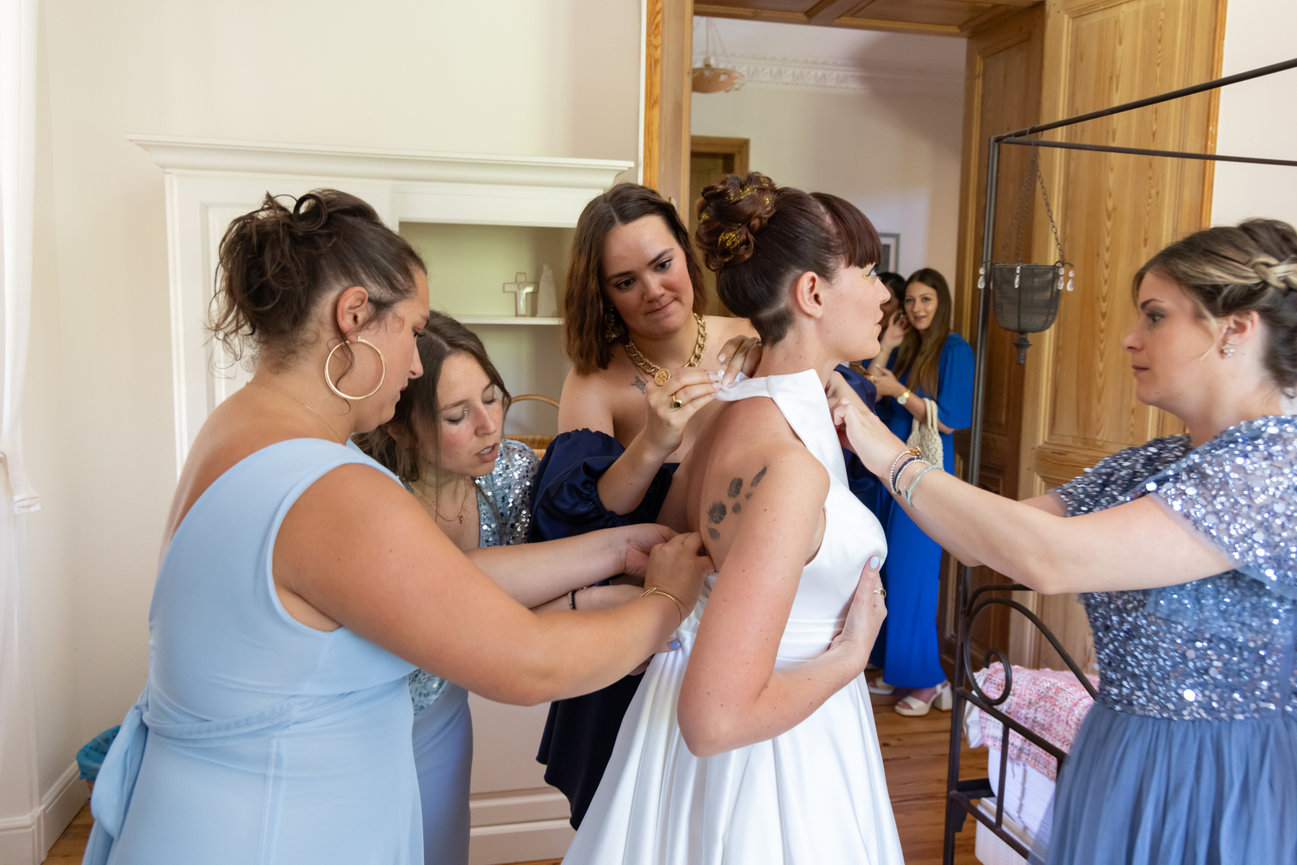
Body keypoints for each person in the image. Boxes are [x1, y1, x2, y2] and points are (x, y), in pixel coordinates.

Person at [82, 189, 711, 865]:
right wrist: (667, 601)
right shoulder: (332, 488)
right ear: (353, 315)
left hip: (197, 815)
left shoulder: (236, 428)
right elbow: (531, 665)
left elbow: (438, 580)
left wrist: (614, 546)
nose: (415, 364)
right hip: (276, 831)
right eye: (411, 330)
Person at [829, 218, 1297, 865]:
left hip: (1217, 773)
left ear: (1235, 328)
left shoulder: (1276, 468)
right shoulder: (1149, 462)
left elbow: (1049, 557)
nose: (1130, 337)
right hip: (1117, 751)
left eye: (1155, 316)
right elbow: (987, 541)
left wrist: (889, 453)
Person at [562, 172, 904, 864]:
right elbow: (714, 720)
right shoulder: (783, 462)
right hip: (772, 750)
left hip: (727, 714)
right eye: (868, 274)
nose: (883, 293)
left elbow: (675, 547)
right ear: (811, 294)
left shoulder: (730, 415)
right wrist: (850, 657)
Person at [359, 315, 640, 865]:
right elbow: (449, 597)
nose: (490, 425)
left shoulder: (511, 472)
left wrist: (593, 602)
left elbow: (514, 602)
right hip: (359, 722)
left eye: (492, 397)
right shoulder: (370, 492)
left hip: (440, 715)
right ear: (398, 425)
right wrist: (592, 597)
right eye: (457, 416)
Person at [529, 182, 757, 827]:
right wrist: (655, 439)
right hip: (639, 619)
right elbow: (579, 518)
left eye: (662, 264)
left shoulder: (753, 338)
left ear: (685, 252)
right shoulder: (594, 378)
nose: (653, 290)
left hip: (738, 611)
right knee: (626, 821)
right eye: (625, 282)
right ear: (602, 293)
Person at [865, 267, 974, 715]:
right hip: (888, 470)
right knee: (890, 573)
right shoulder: (909, 346)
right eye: (910, 300)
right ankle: (900, 670)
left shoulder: (955, 349)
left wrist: (901, 392)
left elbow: (951, 419)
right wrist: (888, 345)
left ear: (940, 301)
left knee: (914, 576)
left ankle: (929, 681)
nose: (916, 308)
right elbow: (870, 392)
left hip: (925, 476)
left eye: (925, 299)